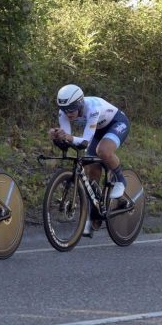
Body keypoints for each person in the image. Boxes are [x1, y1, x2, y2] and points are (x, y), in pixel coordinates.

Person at [48, 84, 130, 234]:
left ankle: (121, 180)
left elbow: (85, 141)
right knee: (92, 167)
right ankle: (95, 212)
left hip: (117, 123)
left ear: (79, 103)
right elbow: (68, 141)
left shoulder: (92, 107)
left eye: (72, 109)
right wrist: (58, 138)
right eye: (64, 109)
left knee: (102, 151)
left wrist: (68, 137)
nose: (68, 113)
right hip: (97, 130)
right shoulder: (64, 112)